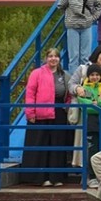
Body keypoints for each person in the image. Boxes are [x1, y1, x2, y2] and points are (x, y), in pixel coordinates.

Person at [24, 48, 70, 186]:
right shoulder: (36, 73)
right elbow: (30, 93)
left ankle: (56, 177)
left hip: (59, 113)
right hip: (41, 114)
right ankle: (40, 177)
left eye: (56, 56)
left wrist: (67, 107)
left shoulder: (65, 75)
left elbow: (69, 94)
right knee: (41, 144)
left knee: (58, 144)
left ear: (59, 59)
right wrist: (30, 112)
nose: (53, 59)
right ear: (46, 58)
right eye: (50, 56)